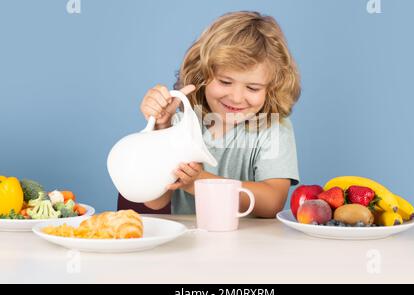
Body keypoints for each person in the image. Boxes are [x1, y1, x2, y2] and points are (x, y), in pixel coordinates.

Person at [118, 11, 300, 218]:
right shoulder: (180, 124)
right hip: (190, 244)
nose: (237, 97)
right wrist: (162, 129)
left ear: (272, 89)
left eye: (253, 88)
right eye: (225, 82)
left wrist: (200, 182)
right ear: (202, 74)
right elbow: (155, 201)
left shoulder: (273, 128)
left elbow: (272, 202)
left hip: (251, 246)